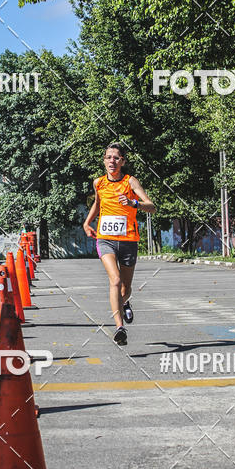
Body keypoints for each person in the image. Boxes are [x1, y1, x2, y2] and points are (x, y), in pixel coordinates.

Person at [83, 143, 155, 345]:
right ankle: (119, 327)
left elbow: (152, 207)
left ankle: (125, 302)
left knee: (125, 287)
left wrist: (134, 203)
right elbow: (98, 204)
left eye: (116, 158)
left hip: (129, 240)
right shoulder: (98, 183)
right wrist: (87, 222)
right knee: (114, 280)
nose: (111, 161)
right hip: (105, 239)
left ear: (122, 161)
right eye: (108, 157)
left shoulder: (130, 182)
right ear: (104, 160)